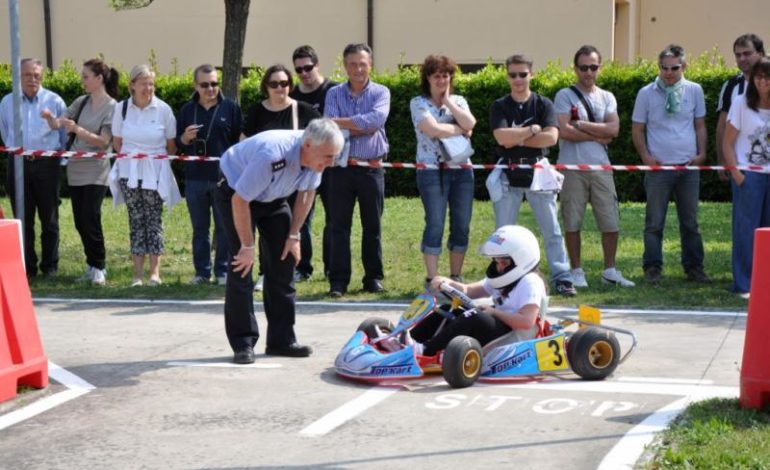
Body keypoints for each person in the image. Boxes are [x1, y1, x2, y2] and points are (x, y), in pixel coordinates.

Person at [216, 118, 344, 363]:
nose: (331, 163)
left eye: (334, 157)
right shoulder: (272, 155)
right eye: (328, 156)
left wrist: (294, 235)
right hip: (236, 192)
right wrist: (247, 246)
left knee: (285, 261)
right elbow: (240, 200)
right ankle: (243, 343)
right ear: (307, 145)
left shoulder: (315, 159)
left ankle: (281, 340)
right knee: (242, 266)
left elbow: (307, 193)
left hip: (273, 196)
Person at [379, 225, 546, 358]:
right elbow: (469, 290)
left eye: (504, 262)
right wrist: (447, 282)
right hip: (500, 329)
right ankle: (408, 340)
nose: (499, 266)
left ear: (522, 259)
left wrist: (493, 312)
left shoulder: (530, 281)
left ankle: (426, 350)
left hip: (515, 337)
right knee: (447, 309)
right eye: (497, 261)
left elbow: (526, 322)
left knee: (477, 316)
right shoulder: (503, 279)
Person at [487, 53, 577, 297]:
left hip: (538, 171)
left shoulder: (543, 104)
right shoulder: (500, 105)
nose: (518, 79)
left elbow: (551, 138)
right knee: (503, 234)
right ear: (507, 76)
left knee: (552, 230)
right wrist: (531, 130)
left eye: (522, 74)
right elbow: (502, 139)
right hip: (508, 172)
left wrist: (518, 136)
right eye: (513, 74)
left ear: (531, 74)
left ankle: (562, 277)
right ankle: (505, 278)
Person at [554, 45, 633, 288]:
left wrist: (582, 126)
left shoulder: (607, 96)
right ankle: (576, 271)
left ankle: (610, 270)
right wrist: (598, 135)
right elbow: (564, 130)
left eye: (593, 67)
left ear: (600, 68)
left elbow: (614, 129)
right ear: (575, 68)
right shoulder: (564, 95)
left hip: (601, 167)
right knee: (572, 221)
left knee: (610, 220)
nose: (588, 72)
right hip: (572, 167)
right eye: (584, 67)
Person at [631, 44, 710, 284]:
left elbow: (700, 125)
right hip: (658, 167)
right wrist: (645, 156)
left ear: (684, 66)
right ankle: (652, 268)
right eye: (664, 68)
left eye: (674, 68)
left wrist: (702, 153)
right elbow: (637, 128)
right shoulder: (646, 92)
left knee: (691, 222)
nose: (668, 73)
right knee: (654, 222)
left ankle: (694, 268)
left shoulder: (694, 90)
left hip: (688, 166)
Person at [243, 64, 321, 291]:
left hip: (296, 180)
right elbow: (244, 142)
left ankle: (298, 268)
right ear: (265, 86)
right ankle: (264, 272)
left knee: (297, 225)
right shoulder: (257, 111)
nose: (280, 88)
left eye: (284, 83)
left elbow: (321, 138)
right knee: (266, 230)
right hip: (265, 182)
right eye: (274, 84)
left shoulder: (304, 110)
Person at [41, 58, 118, 286]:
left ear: (99, 79)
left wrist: (77, 129)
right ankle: (91, 265)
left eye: (85, 76)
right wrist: (49, 119)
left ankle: (100, 267)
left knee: (90, 218)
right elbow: (59, 124)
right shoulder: (80, 101)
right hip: (76, 169)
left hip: (96, 170)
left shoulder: (112, 106)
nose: (82, 80)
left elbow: (103, 142)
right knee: (79, 221)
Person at [324, 43, 390, 297]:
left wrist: (343, 124)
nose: (358, 69)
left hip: (371, 169)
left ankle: (373, 278)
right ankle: (338, 281)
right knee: (338, 226)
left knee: (372, 226)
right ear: (345, 66)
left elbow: (376, 121)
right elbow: (329, 126)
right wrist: (362, 125)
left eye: (363, 63)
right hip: (340, 169)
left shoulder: (381, 92)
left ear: (370, 65)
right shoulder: (333, 94)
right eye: (353, 64)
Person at [109, 64, 180, 287]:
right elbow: (118, 143)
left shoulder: (164, 110)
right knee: (136, 220)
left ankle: (155, 274)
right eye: (143, 83)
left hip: (155, 173)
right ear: (132, 85)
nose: (148, 88)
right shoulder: (121, 109)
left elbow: (171, 147)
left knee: (153, 221)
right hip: (129, 172)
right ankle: (137, 274)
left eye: (151, 83)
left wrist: (153, 162)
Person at [410, 54, 476, 290]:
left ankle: (456, 277)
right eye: (436, 76)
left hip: (461, 169)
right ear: (427, 77)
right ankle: (433, 278)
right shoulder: (418, 102)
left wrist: (448, 103)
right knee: (435, 222)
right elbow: (433, 130)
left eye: (446, 75)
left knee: (462, 223)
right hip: (430, 170)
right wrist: (459, 129)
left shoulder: (458, 100)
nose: (441, 80)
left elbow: (471, 123)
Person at [176, 64, 242, 286]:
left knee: (224, 227)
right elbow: (176, 145)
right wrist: (185, 139)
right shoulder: (187, 110)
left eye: (214, 84)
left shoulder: (231, 108)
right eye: (205, 85)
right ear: (196, 85)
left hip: (224, 178)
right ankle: (202, 272)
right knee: (200, 228)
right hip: (194, 178)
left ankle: (222, 271)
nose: (211, 89)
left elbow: (238, 143)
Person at [0, 58, 66, 280]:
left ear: (42, 77)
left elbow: (64, 134)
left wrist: (58, 162)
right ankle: (26, 267)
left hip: (47, 165)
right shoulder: (7, 102)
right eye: (28, 75)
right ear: (19, 76)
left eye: (37, 75)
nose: (32, 79)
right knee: (22, 218)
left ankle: (50, 267)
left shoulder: (54, 101)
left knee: (49, 219)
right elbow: (5, 131)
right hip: (18, 164)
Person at [290, 45, 338, 281]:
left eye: (308, 67)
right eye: (299, 70)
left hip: (328, 165)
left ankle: (331, 269)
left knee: (333, 217)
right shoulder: (293, 96)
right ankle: (302, 268)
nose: (304, 73)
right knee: (301, 216)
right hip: (303, 165)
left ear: (317, 65)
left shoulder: (333, 91)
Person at [722, 58, 770, 299]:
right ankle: (743, 284)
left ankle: (765, 283)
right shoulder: (741, 103)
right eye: (758, 76)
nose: (762, 80)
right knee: (745, 231)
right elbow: (727, 142)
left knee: (768, 232)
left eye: (767, 77)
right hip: (748, 174)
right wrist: (737, 174)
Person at [716, 34, 765, 181]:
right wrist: (721, 160)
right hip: (742, 168)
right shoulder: (730, 86)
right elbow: (722, 126)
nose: (742, 58)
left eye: (747, 53)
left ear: (760, 53)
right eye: (738, 55)